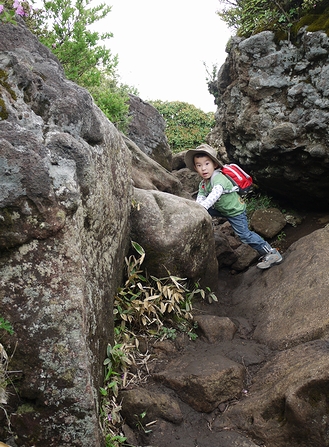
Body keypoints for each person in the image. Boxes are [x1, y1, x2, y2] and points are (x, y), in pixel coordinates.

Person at [185, 144, 282, 269]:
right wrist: (198, 208)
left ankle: (271, 253)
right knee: (203, 208)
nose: (203, 168)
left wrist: (202, 208)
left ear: (215, 164)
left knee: (244, 235)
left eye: (207, 164)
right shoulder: (203, 183)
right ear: (195, 168)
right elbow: (201, 196)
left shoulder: (219, 178)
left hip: (235, 211)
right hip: (222, 210)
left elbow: (215, 194)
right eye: (199, 165)